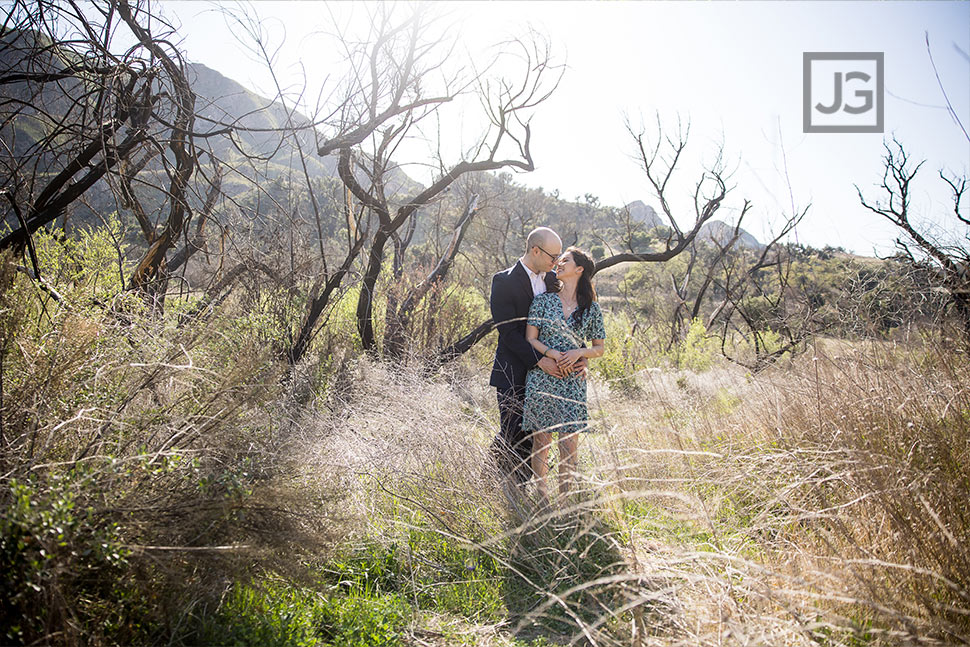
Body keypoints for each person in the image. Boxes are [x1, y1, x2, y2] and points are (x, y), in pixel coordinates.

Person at [489, 227, 577, 487]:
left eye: (560, 257)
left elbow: (567, 323)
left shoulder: (553, 280)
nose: (556, 262)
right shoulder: (503, 281)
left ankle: (516, 489)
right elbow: (508, 332)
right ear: (535, 250)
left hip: (550, 376)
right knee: (513, 431)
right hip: (513, 372)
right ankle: (505, 489)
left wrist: (575, 359)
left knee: (538, 434)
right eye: (553, 256)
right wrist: (540, 361)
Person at [522, 247, 605, 504]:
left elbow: (599, 348)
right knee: (541, 441)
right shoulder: (543, 301)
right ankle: (541, 497)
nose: (559, 263)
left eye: (565, 260)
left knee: (569, 444)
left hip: (573, 382)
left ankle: (566, 501)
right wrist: (554, 354)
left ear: (579, 269)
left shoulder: (591, 309)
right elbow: (530, 338)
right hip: (543, 376)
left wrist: (580, 353)